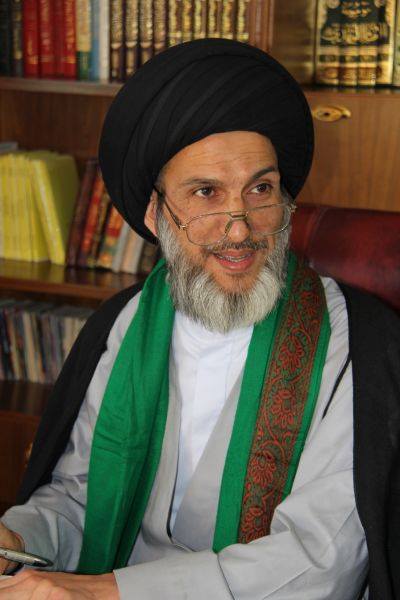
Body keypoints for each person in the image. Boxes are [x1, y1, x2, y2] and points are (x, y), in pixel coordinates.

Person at [0, 38, 399, 600]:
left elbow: (320, 562)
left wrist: (106, 592)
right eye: (206, 192)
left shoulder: (359, 343)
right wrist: (16, 536)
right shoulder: (124, 324)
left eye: (260, 189)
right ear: (155, 213)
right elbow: (78, 495)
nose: (239, 228)